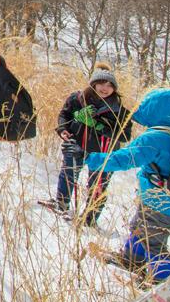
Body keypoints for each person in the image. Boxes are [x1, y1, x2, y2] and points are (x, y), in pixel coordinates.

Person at [86, 88, 170, 282]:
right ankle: (131, 259)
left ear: (156, 110)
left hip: (160, 201)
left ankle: (164, 283)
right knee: (138, 226)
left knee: (153, 241)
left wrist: (92, 159)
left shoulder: (155, 137)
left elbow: (125, 158)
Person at [40, 63, 132, 226]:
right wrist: (63, 129)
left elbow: (124, 135)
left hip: (102, 152)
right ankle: (61, 204)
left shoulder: (119, 110)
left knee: (98, 185)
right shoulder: (77, 99)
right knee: (68, 173)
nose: (105, 88)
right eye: (102, 83)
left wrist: (98, 125)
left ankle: (89, 220)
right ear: (94, 83)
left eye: (110, 86)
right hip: (77, 144)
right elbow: (64, 114)